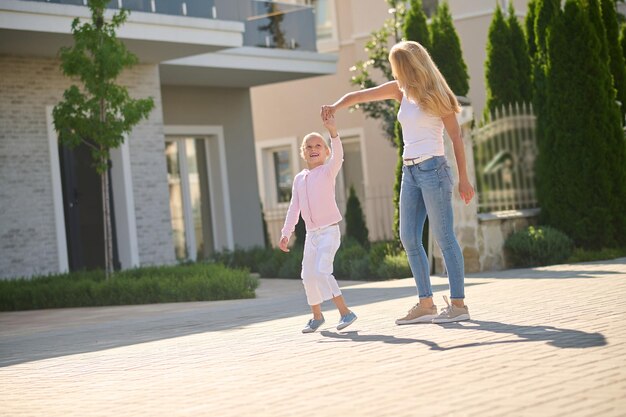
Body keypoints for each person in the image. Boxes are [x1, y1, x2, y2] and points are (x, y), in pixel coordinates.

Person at [321, 40, 475, 324]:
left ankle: (458, 305)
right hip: (410, 172)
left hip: (434, 170)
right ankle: (426, 304)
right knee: (408, 237)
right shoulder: (399, 90)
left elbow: (456, 137)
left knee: (444, 238)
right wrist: (335, 106)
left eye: (396, 65)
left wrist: (464, 179)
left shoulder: (438, 94)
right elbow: (358, 95)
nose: (395, 72)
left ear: (408, 65)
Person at [279, 114, 358, 333]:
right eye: (309, 146)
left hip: (329, 233)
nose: (313, 149)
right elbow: (294, 208)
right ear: (303, 152)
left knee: (323, 271)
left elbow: (340, 156)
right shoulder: (298, 179)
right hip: (311, 235)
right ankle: (316, 316)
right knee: (308, 275)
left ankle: (346, 313)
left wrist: (333, 132)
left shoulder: (327, 171)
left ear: (326, 151)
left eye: (318, 145)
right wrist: (287, 232)